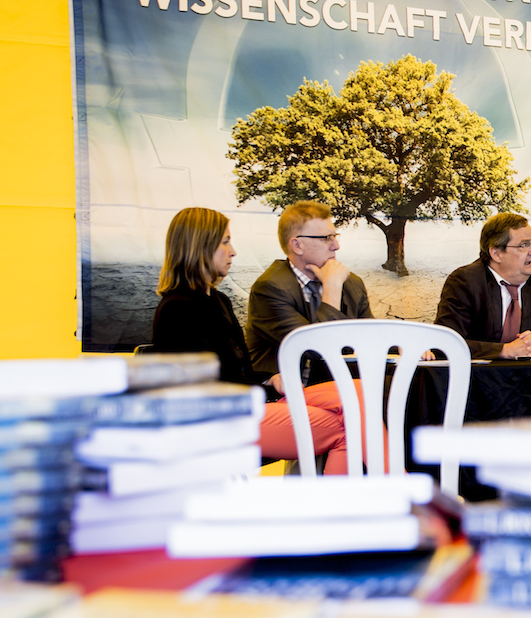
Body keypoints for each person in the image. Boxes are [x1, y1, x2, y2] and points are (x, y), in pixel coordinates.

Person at [150, 207, 357, 474]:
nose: (233, 251)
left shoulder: (218, 301)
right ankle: (340, 509)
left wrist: (268, 380)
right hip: (219, 421)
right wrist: (264, 391)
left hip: (245, 406)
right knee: (351, 425)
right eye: (225, 242)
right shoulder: (177, 308)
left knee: (357, 392)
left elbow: (236, 372)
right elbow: (202, 392)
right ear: (199, 247)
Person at [245, 200, 371, 387]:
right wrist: (332, 288)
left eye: (335, 236)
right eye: (326, 238)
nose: (336, 245)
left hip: (341, 390)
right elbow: (318, 349)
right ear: (297, 245)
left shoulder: (352, 283)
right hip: (288, 396)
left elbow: (369, 336)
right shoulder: (269, 288)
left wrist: (400, 345)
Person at [434, 212, 531, 359]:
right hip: (478, 378)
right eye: (523, 245)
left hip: (530, 377)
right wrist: (505, 350)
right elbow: (446, 343)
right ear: (496, 253)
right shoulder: (465, 281)